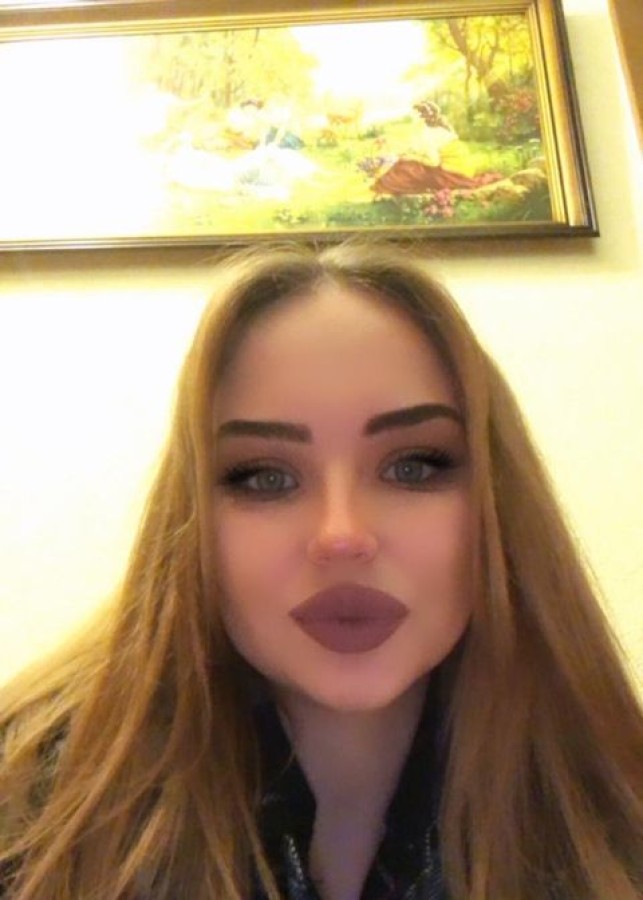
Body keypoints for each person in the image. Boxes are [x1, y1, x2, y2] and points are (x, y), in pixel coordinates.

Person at [1, 242, 642, 900]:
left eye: (413, 466)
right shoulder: (24, 810)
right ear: (187, 519)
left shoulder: (615, 799)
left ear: (499, 501)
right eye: (264, 477)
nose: (342, 536)